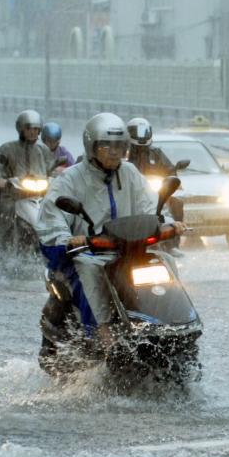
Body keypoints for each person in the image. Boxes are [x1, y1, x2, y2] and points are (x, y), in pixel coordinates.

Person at [36, 112, 185, 340]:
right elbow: (53, 213)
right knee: (90, 270)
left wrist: (165, 223)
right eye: (107, 146)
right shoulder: (71, 178)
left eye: (119, 146)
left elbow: (149, 204)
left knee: (165, 262)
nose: (115, 151)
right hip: (88, 251)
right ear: (92, 146)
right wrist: (66, 239)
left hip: (129, 249)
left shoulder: (130, 173)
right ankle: (101, 334)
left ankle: (175, 326)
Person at [0, 110, 54, 252]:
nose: (32, 132)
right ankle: (1, 245)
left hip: (39, 195)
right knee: (7, 210)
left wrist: (56, 176)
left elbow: (52, 168)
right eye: (29, 128)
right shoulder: (7, 148)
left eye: (36, 129)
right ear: (20, 128)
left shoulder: (43, 150)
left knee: (57, 210)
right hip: (12, 194)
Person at [126, 116, 184, 254]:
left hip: (156, 191)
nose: (141, 134)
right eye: (137, 131)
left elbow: (169, 169)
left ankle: (172, 244)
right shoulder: (124, 154)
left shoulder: (156, 153)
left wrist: (172, 178)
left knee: (176, 203)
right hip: (131, 191)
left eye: (144, 131)